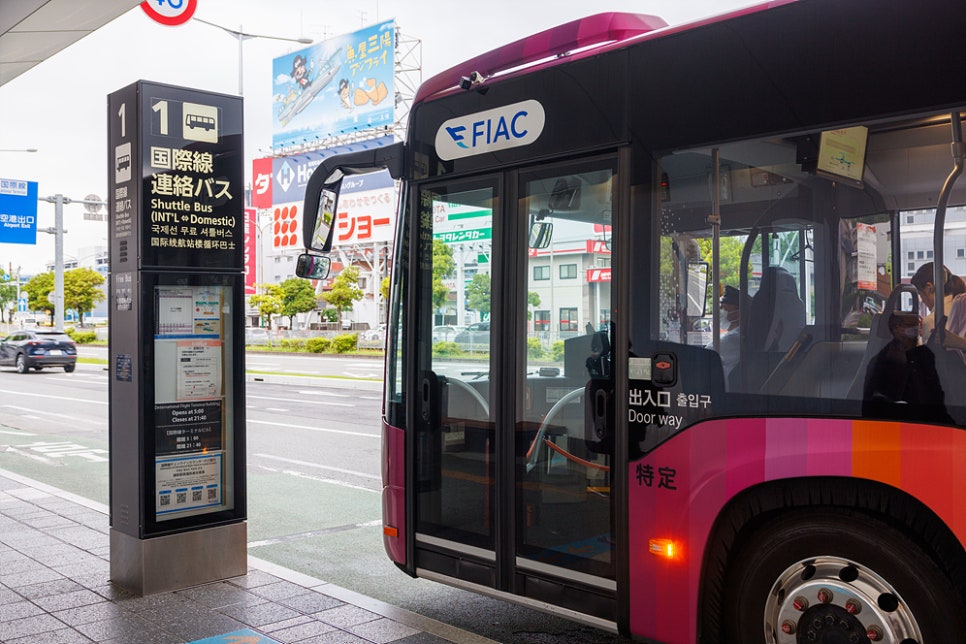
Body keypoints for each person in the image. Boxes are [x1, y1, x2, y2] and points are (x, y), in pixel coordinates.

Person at [862, 311, 951, 422]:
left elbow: (939, 399)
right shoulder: (880, 362)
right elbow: (872, 408)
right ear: (895, 328)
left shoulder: (925, 356)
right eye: (909, 325)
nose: (914, 330)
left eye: (916, 326)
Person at [708, 285, 741, 381]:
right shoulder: (733, 334)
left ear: (738, 312)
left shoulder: (733, 338)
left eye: (724, 308)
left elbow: (705, 354)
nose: (720, 310)